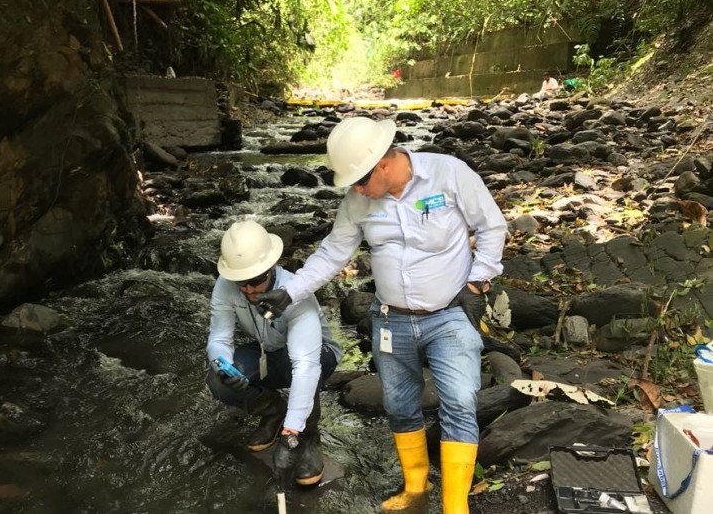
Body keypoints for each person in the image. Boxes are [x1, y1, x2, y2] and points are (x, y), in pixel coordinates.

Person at [257, 117, 507, 514]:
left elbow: (491, 227)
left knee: (459, 401)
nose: (356, 189)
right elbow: (333, 252)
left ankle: (456, 506)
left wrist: (479, 281)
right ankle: (415, 489)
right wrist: (289, 292)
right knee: (399, 404)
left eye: (359, 180)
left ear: (384, 164)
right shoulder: (358, 201)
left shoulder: (449, 174)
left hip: (450, 314)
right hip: (390, 319)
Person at [206, 220, 342, 489]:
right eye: (240, 282)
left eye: (255, 281)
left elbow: (305, 365)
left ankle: (308, 436)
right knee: (217, 380)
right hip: (267, 352)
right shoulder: (225, 285)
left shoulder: (295, 291)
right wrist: (222, 364)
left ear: (271, 268)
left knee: (299, 364)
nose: (248, 290)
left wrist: (291, 435)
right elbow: (219, 338)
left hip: (316, 355)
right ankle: (272, 409)